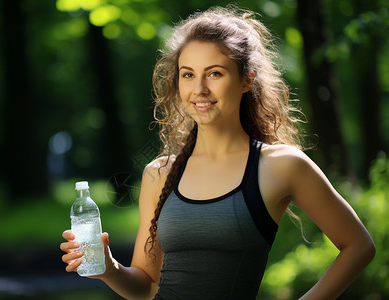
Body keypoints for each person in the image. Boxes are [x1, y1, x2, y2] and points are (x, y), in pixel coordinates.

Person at [60, 5, 375, 299]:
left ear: (246, 80)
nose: (199, 89)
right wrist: (108, 268)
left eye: (215, 73)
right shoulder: (160, 173)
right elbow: (146, 285)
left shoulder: (282, 166)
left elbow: (358, 246)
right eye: (188, 74)